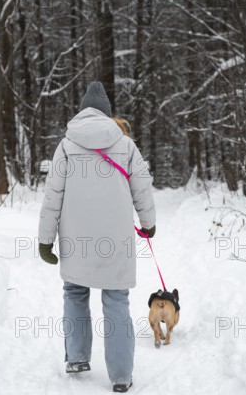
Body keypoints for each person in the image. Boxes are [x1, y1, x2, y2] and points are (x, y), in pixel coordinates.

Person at [38, 81, 156, 393]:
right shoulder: (126, 145)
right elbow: (142, 187)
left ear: (82, 113)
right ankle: (120, 375)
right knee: (116, 300)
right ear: (107, 114)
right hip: (115, 240)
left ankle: (77, 357)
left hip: (76, 239)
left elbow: (53, 196)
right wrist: (149, 222)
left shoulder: (66, 145)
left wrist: (45, 239)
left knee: (75, 293)